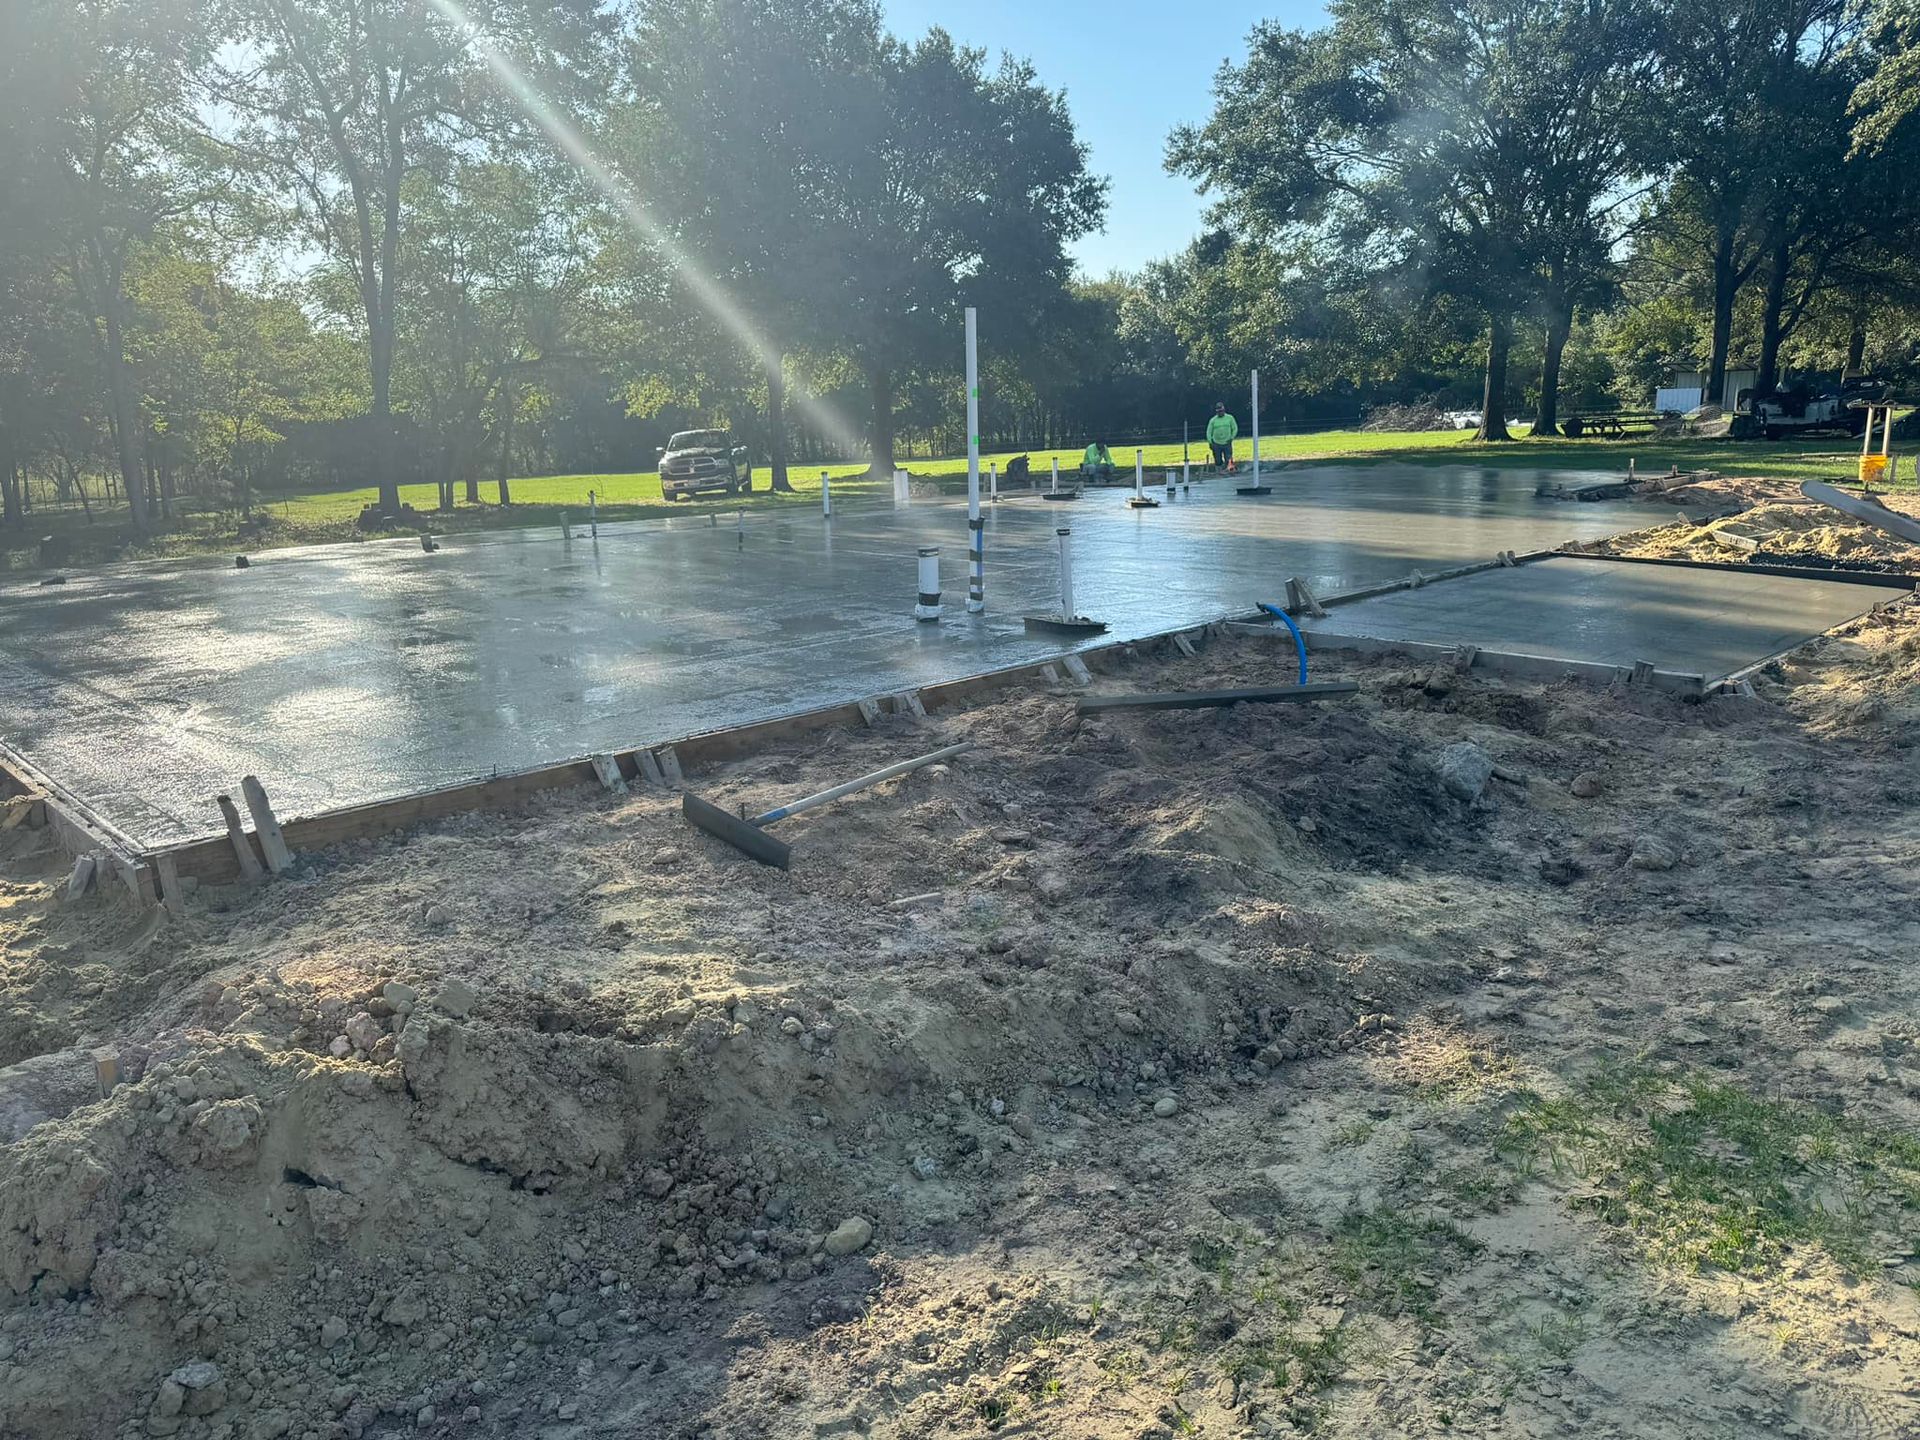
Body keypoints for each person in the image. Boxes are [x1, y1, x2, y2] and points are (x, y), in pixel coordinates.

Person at [1206, 403, 1239, 473]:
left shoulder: (1230, 418)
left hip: (1227, 442)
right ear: (1216, 412)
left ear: (1224, 410)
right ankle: (1219, 472)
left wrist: (1232, 437)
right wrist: (1210, 442)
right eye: (1219, 411)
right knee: (1218, 459)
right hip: (1216, 443)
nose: (1220, 413)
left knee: (1228, 458)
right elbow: (1209, 432)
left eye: (1222, 411)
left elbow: (1235, 428)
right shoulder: (1213, 420)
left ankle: (1230, 471)